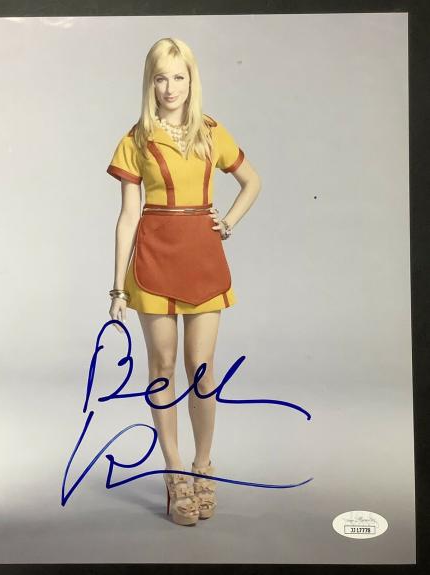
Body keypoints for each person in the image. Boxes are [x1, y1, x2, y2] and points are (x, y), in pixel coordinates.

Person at [106, 37, 261, 526]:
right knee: (163, 365)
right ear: (149, 83)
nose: (170, 87)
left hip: (203, 260)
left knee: (201, 369)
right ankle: (174, 473)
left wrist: (228, 222)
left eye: (179, 77)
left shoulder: (212, 132)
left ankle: (203, 466)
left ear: (192, 81)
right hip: (153, 260)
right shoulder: (135, 139)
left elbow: (251, 181)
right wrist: (117, 288)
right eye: (161, 78)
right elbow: (128, 216)